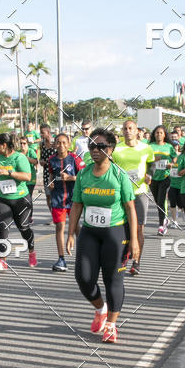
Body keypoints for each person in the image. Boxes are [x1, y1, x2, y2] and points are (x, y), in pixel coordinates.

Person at [66, 129, 139, 344]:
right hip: (90, 231)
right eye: (92, 146)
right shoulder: (84, 174)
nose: (95, 150)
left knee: (112, 279)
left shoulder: (119, 175)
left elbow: (130, 208)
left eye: (101, 146)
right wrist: (70, 234)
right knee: (84, 278)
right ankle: (100, 309)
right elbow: (77, 205)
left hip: (115, 232)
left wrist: (134, 240)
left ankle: (111, 325)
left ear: (111, 149)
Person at [0, 132, 37, 271]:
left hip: (20, 199)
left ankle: (31, 252)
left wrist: (9, 173)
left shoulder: (19, 157)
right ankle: (2, 260)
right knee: (2, 228)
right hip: (2, 198)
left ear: (4, 145)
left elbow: (27, 176)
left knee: (24, 228)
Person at [113, 120, 154, 275]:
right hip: (122, 193)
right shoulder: (117, 149)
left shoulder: (146, 148)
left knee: (139, 228)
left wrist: (150, 175)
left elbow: (151, 164)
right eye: (125, 128)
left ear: (137, 131)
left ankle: (136, 261)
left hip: (140, 192)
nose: (128, 131)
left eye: (131, 128)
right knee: (123, 227)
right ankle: (124, 255)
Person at [47, 133, 83, 271]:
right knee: (59, 227)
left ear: (68, 144)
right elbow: (51, 174)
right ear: (55, 144)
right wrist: (50, 183)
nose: (61, 145)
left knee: (76, 227)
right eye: (58, 142)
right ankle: (61, 259)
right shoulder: (52, 160)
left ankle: (82, 254)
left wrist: (70, 178)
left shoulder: (75, 158)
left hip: (74, 199)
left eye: (63, 142)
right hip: (57, 199)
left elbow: (83, 176)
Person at [147, 125, 177, 235]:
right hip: (153, 176)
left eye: (161, 133)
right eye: (157, 133)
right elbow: (145, 159)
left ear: (164, 135)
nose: (159, 134)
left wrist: (172, 164)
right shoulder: (149, 146)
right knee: (157, 201)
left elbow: (174, 157)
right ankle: (164, 218)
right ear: (154, 134)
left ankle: (161, 225)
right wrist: (155, 159)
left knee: (161, 200)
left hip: (165, 176)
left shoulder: (169, 146)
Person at [19, 135, 39, 224]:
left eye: (24, 143)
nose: (22, 145)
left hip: (31, 179)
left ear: (27, 144)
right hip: (21, 178)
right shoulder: (18, 153)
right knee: (21, 198)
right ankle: (22, 215)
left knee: (28, 197)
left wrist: (25, 157)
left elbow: (35, 161)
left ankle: (29, 217)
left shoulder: (30, 151)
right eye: (20, 143)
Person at [39, 124, 56, 218]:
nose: (41, 134)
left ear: (48, 132)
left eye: (42, 133)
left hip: (55, 172)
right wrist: (41, 161)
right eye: (40, 133)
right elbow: (41, 157)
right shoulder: (42, 144)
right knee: (48, 195)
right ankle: (53, 215)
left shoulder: (55, 143)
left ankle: (57, 215)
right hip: (46, 173)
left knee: (54, 195)